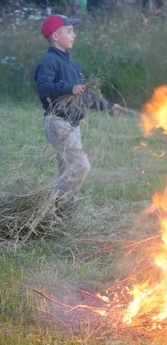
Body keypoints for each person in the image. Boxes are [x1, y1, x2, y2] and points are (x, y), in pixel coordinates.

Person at [34, 14, 123, 208]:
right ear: (56, 37)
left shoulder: (72, 64)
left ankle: (63, 210)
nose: (74, 34)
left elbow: (81, 96)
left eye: (73, 30)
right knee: (81, 166)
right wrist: (68, 87)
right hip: (58, 121)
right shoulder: (49, 61)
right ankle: (51, 206)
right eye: (69, 31)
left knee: (67, 170)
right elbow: (43, 87)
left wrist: (107, 106)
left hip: (73, 124)